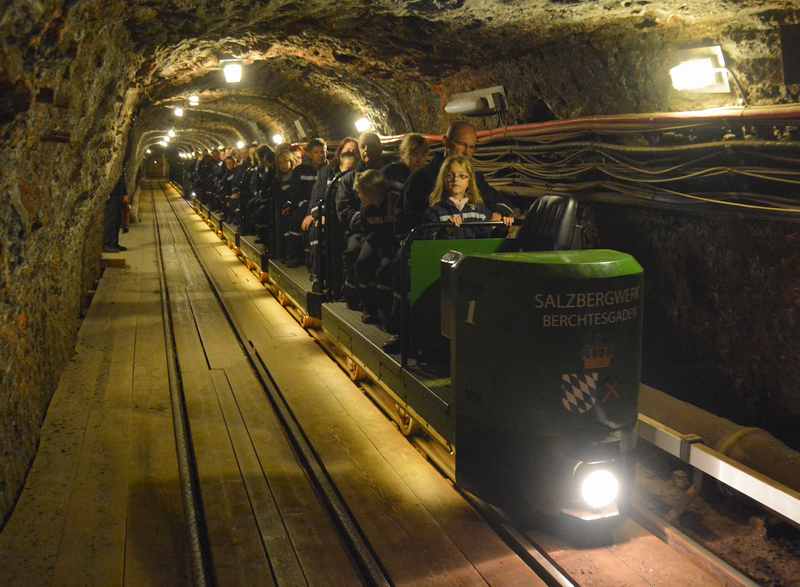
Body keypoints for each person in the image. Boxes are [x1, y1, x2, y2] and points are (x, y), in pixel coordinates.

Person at [400, 121, 514, 234]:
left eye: (471, 147)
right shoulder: (421, 179)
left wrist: (498, 213)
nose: (466, 152)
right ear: (446, 142)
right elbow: (412, 222)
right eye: (462, 145)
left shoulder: (475, 179)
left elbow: (499, 202)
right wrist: (444, 227)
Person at [304, 138, 360, 292]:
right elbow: (317, 197)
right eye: (346, 151)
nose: (349, 154)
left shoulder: (359, 174)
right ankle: (319, 276)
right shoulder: (327, 172)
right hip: (327, 217)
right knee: (318, 231)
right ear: (339, 153)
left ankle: (343, 285)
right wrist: (317, 215)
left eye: (354, 152)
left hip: (346, 220)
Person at [347, 170, 397, 325]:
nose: (359, 196)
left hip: (394, 240)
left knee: (385, 267)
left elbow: (398, 227)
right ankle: (368, 306)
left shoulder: (394, 202)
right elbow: (364, 227)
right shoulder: (366, 207)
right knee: (362, 264)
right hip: (375, 237)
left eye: (361, 193)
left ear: (372, 192)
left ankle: (386, 312)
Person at [422, 155, 492, 238]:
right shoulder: (434, 211)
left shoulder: (480, 211)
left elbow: (488, 239)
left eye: (462, 176)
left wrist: (503, 228)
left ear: (469, 181)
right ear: (443, 179)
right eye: (450, 176)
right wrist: (446, 230)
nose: (455, 179)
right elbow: (428, 241)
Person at [382, 133, 429, 230]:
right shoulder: (390, 173)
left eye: (423, 154)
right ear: (403, 153)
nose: (419, 159)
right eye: (414, 154)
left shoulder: (426, 176)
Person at [103, 172, 128, 252]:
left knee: (117, 221)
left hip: (118, 196)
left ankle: (114, 243)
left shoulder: (120, 168)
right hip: (112, 196)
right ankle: (108, 244)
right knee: (111, 221)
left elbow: (122, 180)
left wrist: (125, 193)